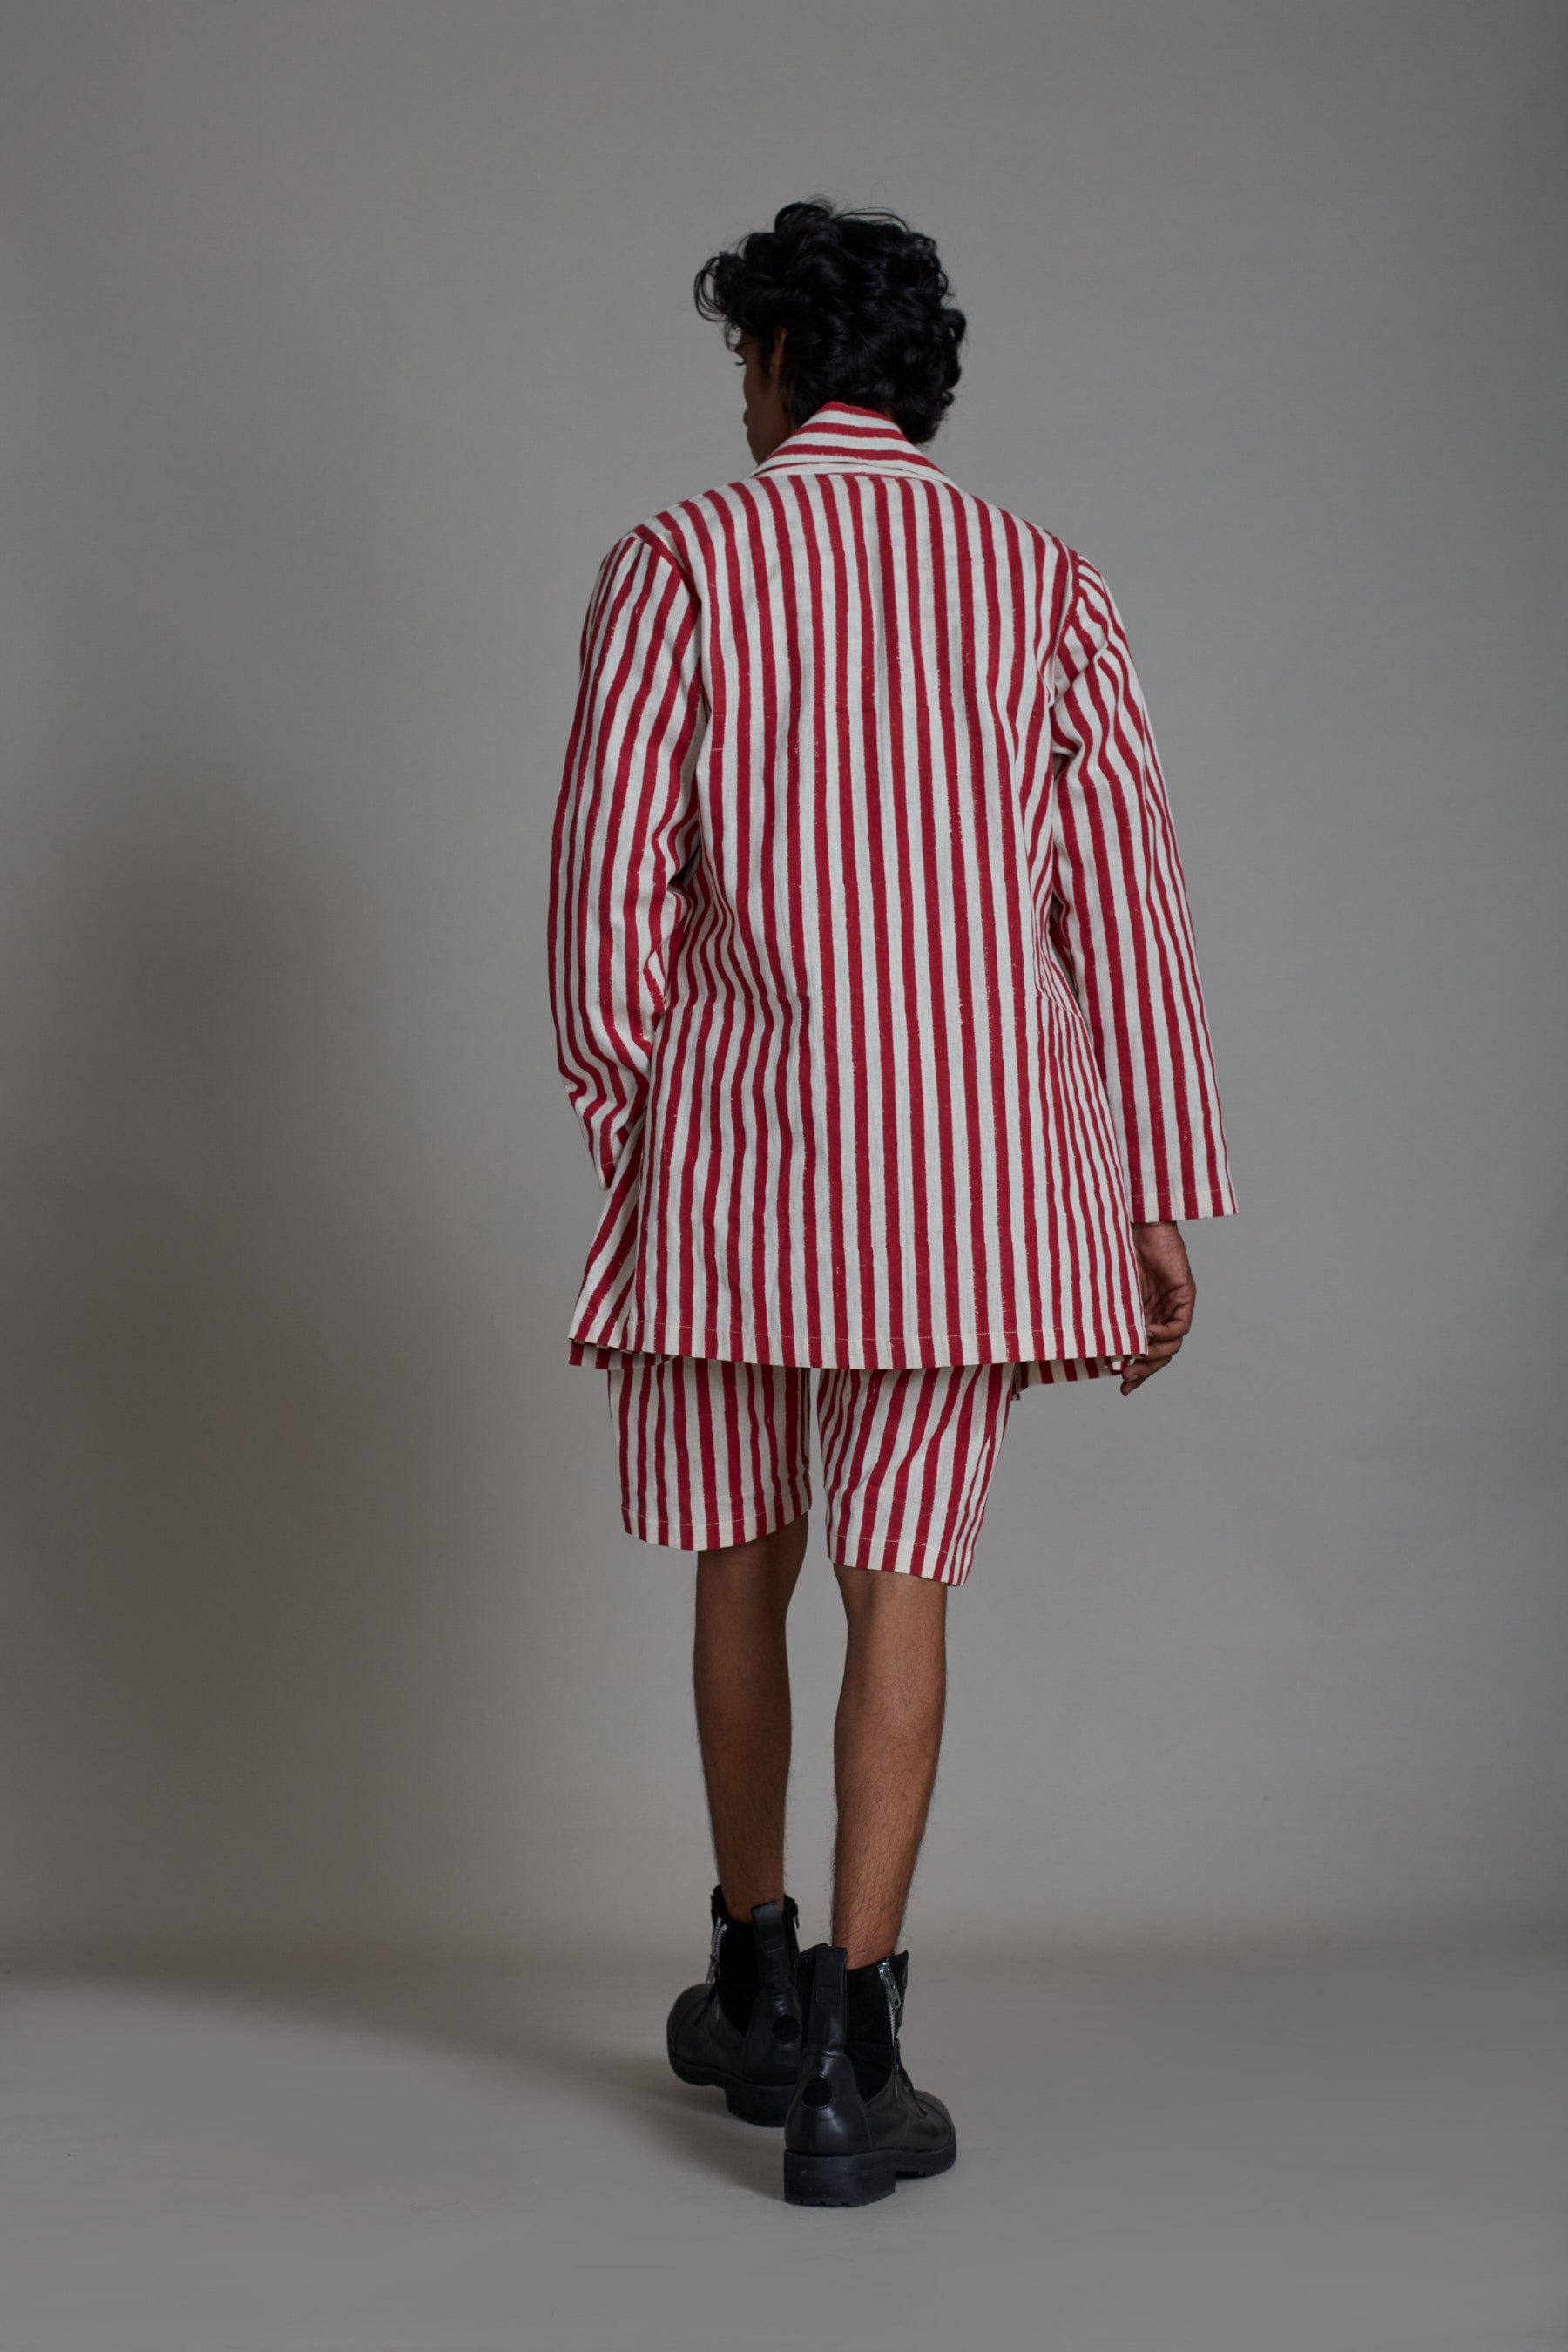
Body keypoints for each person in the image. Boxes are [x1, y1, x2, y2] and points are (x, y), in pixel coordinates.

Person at [547, 198, 1237, 2207]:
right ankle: (857, 2070)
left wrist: (644, 1136)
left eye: (742, 362)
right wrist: (1150, 1192)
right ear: (917, 381)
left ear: (777, 362)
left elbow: (603, 914)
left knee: (736, 1560)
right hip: (975, 1174)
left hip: (738, 1168)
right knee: (901, 1582)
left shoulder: (678, 561)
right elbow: (1124, 906)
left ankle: (753, 1984)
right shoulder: (1045, 583)